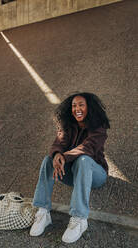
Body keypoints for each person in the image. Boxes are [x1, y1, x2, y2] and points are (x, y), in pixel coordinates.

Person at [30, 92, 110, 243]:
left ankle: (79, 219)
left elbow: (88, 148)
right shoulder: (68, 125)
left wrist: (64, 157)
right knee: (48, 160)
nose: (77, 108)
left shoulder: (99, 127)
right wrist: (57, 155)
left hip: (95, 175)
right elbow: (58, 143)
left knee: (84, 160)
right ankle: (43, 212)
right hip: (74, 174)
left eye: (81, 105)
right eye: (74, 106)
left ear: (89, 108)